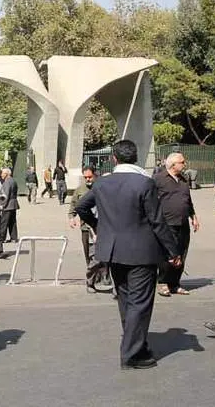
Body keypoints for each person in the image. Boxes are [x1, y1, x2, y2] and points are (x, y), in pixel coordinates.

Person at [75, 140, 180, 370]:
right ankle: (131, 354)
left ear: (114, 158)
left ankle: (137, 344)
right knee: (141, 302)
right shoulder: (144, 183)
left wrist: (99, 226)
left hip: (112, 251)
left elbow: (81, 207)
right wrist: (173, 251)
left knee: (125, 300)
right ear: (136, 157)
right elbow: (157, 220)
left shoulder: (102, 184)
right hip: (141, 251)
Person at [153, 152, 199, 297]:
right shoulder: (158, 179)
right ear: (173, 165)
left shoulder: (184, 179)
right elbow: (150, 200)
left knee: (181, 253)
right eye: (182, 162)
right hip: (167, 223)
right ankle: (163, 282)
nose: (184, 164)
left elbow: (187, 200)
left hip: (183, 222)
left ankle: (175, 284)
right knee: (168, 254)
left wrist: (194, 216)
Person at [68, 166, 110, 293]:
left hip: (104, 228)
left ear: (95, 175)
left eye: (90, 177)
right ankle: (92, 278)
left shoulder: (102, 188)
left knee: (104, 255)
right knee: (90, 255)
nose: (88, 179)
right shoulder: (80, 190)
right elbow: (74, 204)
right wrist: (71, 217)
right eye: (85, 177)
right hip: (87, 228)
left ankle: (105, 277)